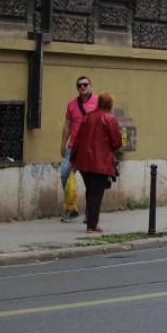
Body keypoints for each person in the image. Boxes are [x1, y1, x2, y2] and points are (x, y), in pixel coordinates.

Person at [71, 92, 122, 234]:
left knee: (90, 191)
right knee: (97, 193)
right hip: (100, 161)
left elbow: (78, 138)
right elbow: (117, 143)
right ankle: (92, 225)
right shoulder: (109, 118)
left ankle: (91, 221)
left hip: (84, 162)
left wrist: (73, 159)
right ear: (110, 104)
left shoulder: (88, 116)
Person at [59, 76, 98, 222]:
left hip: (90, 148)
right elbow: (67, 125)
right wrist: (63, 144)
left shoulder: (98, 102)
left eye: (85, 84)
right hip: (73, 147)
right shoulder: (71, 104)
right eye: (79, 85)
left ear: (90, 86)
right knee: (64, 174)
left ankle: (90, 212)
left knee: (91, 181)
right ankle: (71, 208)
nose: (82, 87)